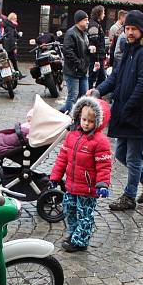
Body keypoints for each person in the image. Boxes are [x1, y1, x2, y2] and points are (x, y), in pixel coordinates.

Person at [92, 10, 143, 211]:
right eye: (127, 28)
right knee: (121, 154)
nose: (130, 32)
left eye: (133, 29)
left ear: (142, 29)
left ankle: (129, 196)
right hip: (125, 112)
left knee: (133, 157)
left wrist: (127, 107)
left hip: (139, 114)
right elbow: (116, 78)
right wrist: (98, 91)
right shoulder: (129, 48)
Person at [48, 96, 113, 252]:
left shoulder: (100, 141)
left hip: (87, 190)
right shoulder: (72, 136)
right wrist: (55, 177)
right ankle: (73, 233)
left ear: (98, 122)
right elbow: (63, 158)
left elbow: (104, 166)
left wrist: (103, 184)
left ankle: (80, 241)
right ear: (78, 116)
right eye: (84, 119)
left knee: (85, 215)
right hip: (71, 185)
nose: (86, 123)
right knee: (69, 209)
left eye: (90, 121)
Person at [61, 10, 91, 115]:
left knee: (84, 96)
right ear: (78, 21)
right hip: (73, 71)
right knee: (73, 96)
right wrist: (79, 64)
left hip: (83, 70)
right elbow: (68, 52)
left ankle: (64, 112)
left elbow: (83, 49)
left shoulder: (84, 33)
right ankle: (69, 119)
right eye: (85, 20)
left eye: (88, 20)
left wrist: (90, 49)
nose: (88, 22)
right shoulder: (71, 33)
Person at [87, 6, 107, 88]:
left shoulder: (97, 24)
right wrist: (97, 60)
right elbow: (94, 43)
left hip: (99, 56)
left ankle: (95, 93)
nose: (104, 15)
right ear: (99, 13)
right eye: (103, 13)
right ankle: (89, 94)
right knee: (93, 76)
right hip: (95, 57)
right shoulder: (93, 25)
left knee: (101, 77)